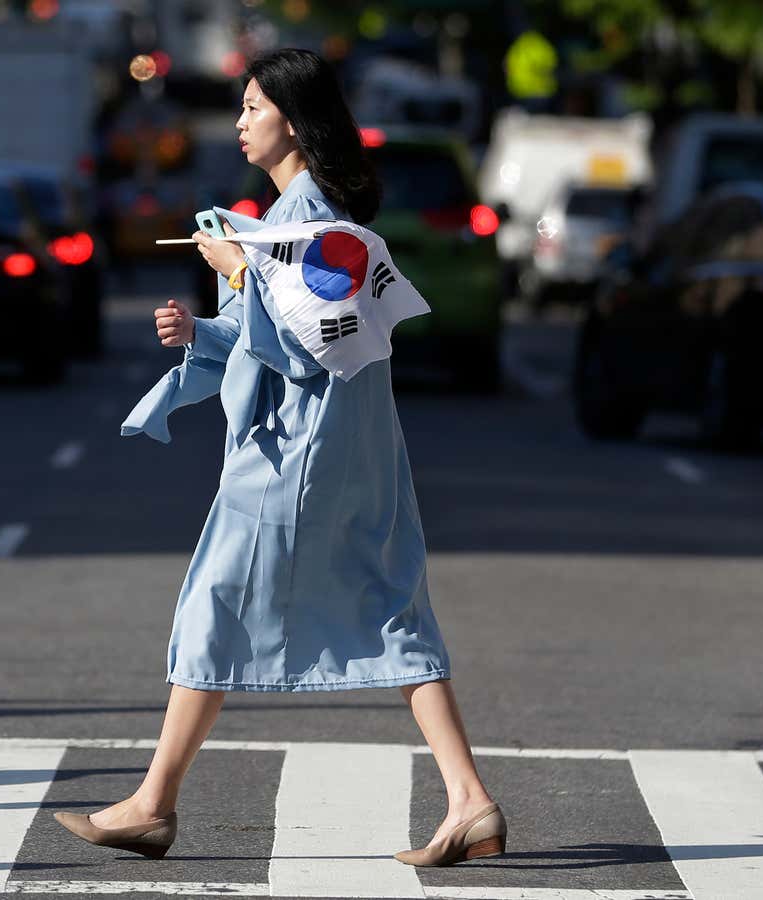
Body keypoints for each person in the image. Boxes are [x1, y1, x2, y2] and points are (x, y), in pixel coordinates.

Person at [53, 48, 507, 867]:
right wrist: (204, 331)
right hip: (355, 447)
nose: (239, 122)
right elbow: (275, 338)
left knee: (215, 603)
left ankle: (153, 805)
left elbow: (308, 348)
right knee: (391, 605)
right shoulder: (300, 218)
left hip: (299, 449)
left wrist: (237, 273)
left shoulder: (311, 220)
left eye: (253, 107)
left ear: (292, 121)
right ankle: (470, 801)